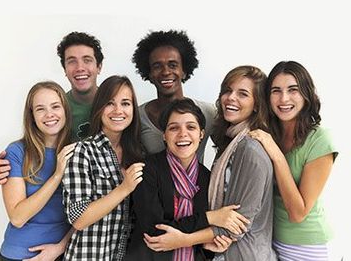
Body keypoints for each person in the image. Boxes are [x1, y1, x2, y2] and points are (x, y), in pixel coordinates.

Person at [143, 66, 277, 261]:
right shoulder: (230, 144)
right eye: (227, 90)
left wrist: (183, 240)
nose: (231, 98)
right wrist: (208, 229)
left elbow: (236, 224)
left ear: (257, 104)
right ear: (164, 135)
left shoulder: (250, 149)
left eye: (243, 94)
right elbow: (218, 219)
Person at [125, 98, 248, 261]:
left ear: (201, 134)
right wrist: (211, 217)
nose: (183, 134)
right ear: (164, 136)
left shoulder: (208, 178)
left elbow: (204, 244)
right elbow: (156, 233)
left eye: (191, 127)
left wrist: (210, 245)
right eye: (174, 128)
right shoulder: (147, 170)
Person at [249, 61, 338, 260]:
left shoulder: (320, 140)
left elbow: (298, 213)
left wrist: (277, 155)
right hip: (268, 240)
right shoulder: (269, 133)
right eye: (276, 90)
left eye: (293, 90)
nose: (284, 98)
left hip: (308, 247)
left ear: (306, 94)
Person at [0, 31, 104, 184]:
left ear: (99, 67)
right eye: (71, 61)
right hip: (72, 191)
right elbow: (34, 145)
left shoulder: (116, 105)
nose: (79, 67)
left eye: (87, 60)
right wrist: (4, 169)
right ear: (64, 69)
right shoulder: (55, 110)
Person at [62, 75, 144, 260]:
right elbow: (79, 218)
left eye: (125, 103)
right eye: (110, 103)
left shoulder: (138, 154)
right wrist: (124, 188)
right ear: (99, 108)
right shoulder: (83, 152)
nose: (118, 110)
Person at [0, 81, 76, 260]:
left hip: (64, 253)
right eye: (40, 109)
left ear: (65, 110)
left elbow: (86, 211)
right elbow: (18, 217)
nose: (49, 114)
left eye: (55, 106)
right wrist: (57, 175)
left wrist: (60, 247)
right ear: (31, 115)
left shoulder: (76, 150)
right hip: (20, 255)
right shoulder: (17, 152)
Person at [132, 30, 216, 162]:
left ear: (184, 71)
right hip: (154, 182)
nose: (166, 72)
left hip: (198, 182)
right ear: (149, 73)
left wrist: (261, 136)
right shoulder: (137, 117)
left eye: (173, 65)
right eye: (157, 66)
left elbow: (233, 143)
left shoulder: (209, 113)